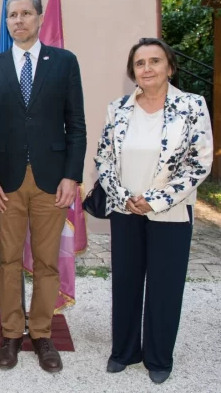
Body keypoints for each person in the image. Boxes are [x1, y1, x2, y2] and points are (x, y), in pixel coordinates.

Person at [0, 0, 86, 373]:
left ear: (40, 18)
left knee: (46, 261)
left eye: (25, 13)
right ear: (6, 22)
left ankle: (41, 333)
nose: (18, 20)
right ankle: (10, 334)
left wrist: (72, 175)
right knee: (7, 261)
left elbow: (76, 124)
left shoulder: (64, 62)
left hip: (51, 181)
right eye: (12, 15)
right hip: (4, 183)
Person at [94, 38, 212, 385]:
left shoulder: (191, 106)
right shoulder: (119, 108)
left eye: (154, 61)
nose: (147, 68)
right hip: (125, 209)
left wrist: (155, 199)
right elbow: (103, 158)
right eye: (140, 63)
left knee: (165, 284)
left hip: (170, 212)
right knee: (126, 281)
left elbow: (199, 162)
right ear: (133, 71)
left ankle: (159, 357)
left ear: (169, 67)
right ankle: (125, 351)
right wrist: (124, 195)